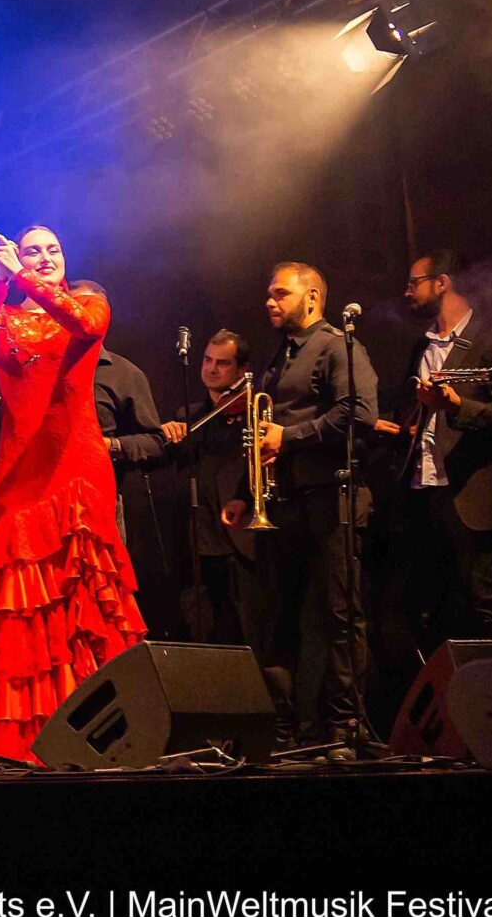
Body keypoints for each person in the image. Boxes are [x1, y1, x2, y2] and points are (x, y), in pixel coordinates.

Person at [0, 226, 144, 762]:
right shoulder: (6, 315)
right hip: (20, 476)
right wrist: (0, 284)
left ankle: (105, 735)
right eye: (31, 250)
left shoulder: (87, 304)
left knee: (83, 600)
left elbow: (84, 326)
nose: (43, 257)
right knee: (25, 605)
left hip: (76, 469)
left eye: (52, 249)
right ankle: (27, 738)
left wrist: (22, 276)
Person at [221, 261, 379, 745]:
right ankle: (282, 729)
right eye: (269, 294)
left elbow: (360, 415)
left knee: (339, 616)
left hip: (330, 499)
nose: (270, 302)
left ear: (312, 297)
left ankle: (344, 726)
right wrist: (244, 493)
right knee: (277, 620)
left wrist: (288, 437)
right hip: (282, 503)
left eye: (280, 294)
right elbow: (263, 432)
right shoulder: (279, 355)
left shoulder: (338, 346)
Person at [369, 250, 492, 720]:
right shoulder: (420, 348)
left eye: (413, 282)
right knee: (418, 608)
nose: (406, 292)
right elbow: (416, 417)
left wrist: (456, 405)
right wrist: (396, 426)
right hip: (421, 491)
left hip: (470, 493)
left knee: (486, 601)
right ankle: (449, 714)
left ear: (442, 283)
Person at [169, 330, 284, 680]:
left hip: (240, 542)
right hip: (198, 542)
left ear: (241, 369)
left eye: (223, 363)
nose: (212, 369)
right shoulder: (190, 416)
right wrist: (169, 434)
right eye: (207, 360)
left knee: (249, 634)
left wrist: (246, 499)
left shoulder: (253, 411)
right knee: (203, 634)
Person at [76, 285, 187, 642]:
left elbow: (155, 441)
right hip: (48, 502)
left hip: (102, 502)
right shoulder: (45, 367)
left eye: (90, 307)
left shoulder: (124, 374)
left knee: (100, 604)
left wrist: (110, 445)